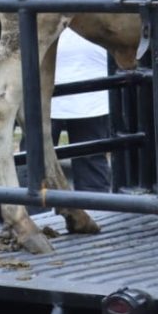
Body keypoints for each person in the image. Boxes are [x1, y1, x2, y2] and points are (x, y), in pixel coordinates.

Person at [50, 28, 112, 192]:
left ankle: (97, 212)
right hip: (87, 83)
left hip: (92, 85)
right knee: (35, 163)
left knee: (35, 163)